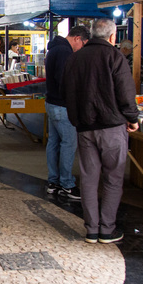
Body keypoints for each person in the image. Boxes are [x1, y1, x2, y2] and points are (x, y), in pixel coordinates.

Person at [63, 18, 139, 245]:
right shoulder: (116, 57)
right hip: (112, 127)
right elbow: (125, 92)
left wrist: (76, 119)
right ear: (113, 37)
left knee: (88, 178)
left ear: (92, 34)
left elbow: (68, 91)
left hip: (85, 128)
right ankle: (107, 230)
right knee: (113, 178)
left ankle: (91, 229)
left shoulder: (75, 58)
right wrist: (132, 119)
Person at [45, 25, 90, 200]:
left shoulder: (55, 49)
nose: (82, 49)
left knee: (54, 143)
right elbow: (65, 80)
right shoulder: (64, 52)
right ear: (77, 38)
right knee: (69, 144)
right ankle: (66, 184)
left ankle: (53, 181)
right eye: (83, 44)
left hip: (51, 102)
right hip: (62, 106)